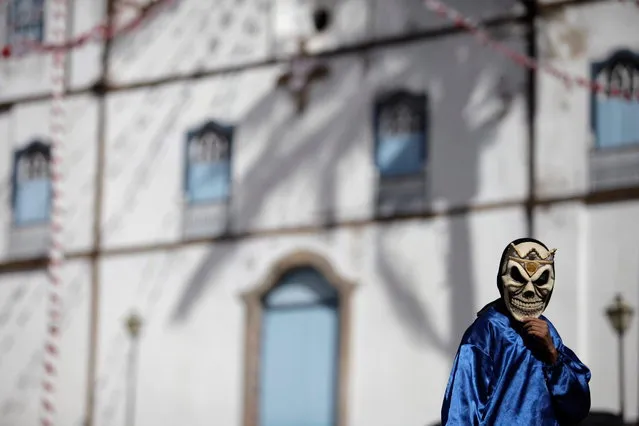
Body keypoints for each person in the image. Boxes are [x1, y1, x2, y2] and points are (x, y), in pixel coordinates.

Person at [441, 237, 591, 425]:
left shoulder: (547, 331)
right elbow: (461, 412)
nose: (529, 290)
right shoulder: (485, 333)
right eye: (518, 277)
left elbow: (577, 407)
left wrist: (553, 354)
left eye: (540, 280)